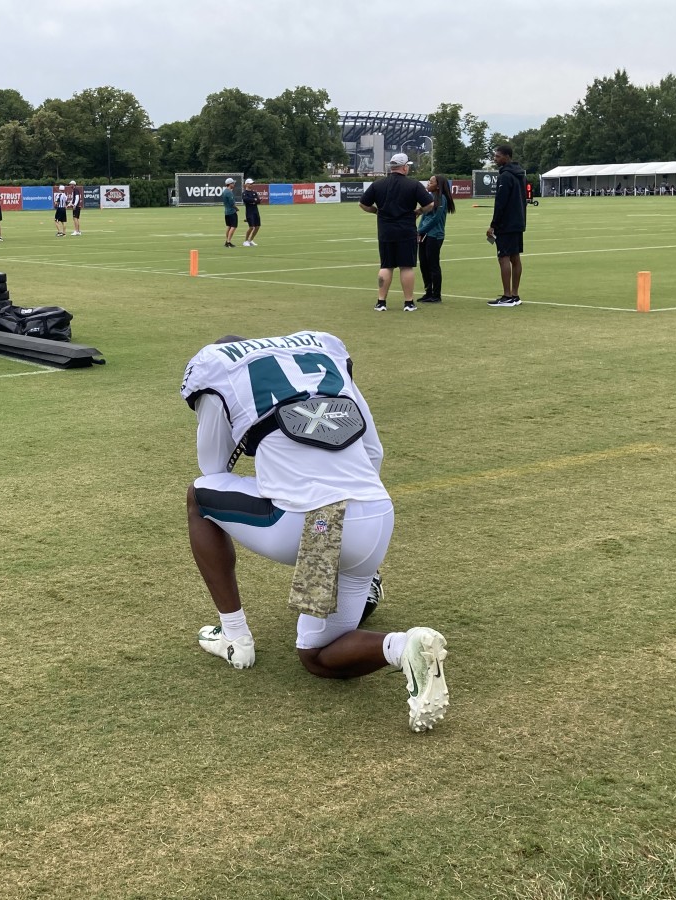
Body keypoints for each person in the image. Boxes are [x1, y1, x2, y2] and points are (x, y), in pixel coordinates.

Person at [181, 331, 450, 733]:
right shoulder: (325, 364)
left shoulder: (222, 372)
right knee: (317, 652)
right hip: (375, 517)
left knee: (199, 498)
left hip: (319, 529)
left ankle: (234, 637)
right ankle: (403, 646)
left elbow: (213, 470)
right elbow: (374, 453)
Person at [359, 153, 434, 312]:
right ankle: (408, 303)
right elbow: (430, 204)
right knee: (406, 267)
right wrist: (418, 211)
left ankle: (381, 302)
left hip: (386, 230)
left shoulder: (378, 185)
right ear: (405, 167)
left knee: (386, 266)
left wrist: (377, 211)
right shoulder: (413, 185)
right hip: (406, 230)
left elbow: (363, 204)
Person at [486, 145, 527, 307]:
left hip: (506, 224)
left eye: (497, 156)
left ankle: (507, 296)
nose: (495, 159)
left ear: (507, 157)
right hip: (518, 222)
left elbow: (500, 203)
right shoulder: (520, 175)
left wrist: (493, 225)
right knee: (515, 257)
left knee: (504, 257)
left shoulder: (505, 176)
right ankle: (515, 294)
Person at [416, 175, 455, 303]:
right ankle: (428, 292)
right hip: (424, 234)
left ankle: (436, 294)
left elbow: (436, 219)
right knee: (423, 263)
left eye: (431, 182)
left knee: (433, 264)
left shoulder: (441, 199)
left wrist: (421, 230)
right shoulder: (430, 198)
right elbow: (424, 217)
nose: (428, 183)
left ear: (438, 186)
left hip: (435, 235)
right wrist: (419, 230)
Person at [241, 178, 261, 247]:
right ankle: (246, 241)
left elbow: (258, 200)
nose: (252, 185)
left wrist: (254, 200)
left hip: (255, 211)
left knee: (257, 226)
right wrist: (253, 200)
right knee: (251, 227)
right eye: (250, 184)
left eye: (252, 183)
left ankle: (251, 240)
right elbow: (246, 200)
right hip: (249, 212)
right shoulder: (244, 193)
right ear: (246, 184)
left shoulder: (254, 192)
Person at [222, 177, 238, 247]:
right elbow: (232, 203)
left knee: (228, 226)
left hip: (226, 212)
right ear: (229, 184)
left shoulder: (224, 191)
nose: (234, 184)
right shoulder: (229, 192)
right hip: (231, 212)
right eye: (233, 183)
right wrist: (237, 208)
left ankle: (227, 241)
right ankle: (228, 241)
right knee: (233, 226)